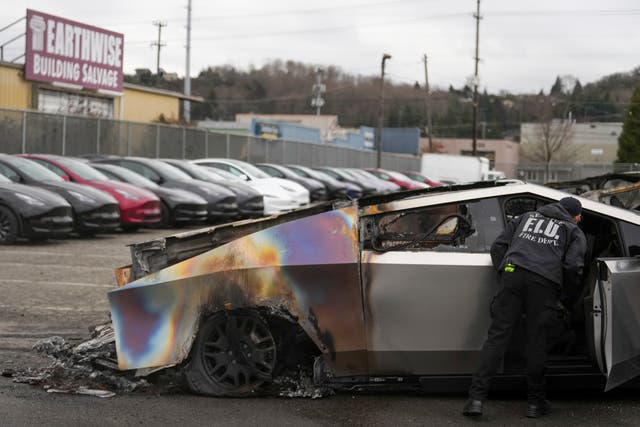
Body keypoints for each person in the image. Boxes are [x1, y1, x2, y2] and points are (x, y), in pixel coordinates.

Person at [462, 197, 587, 418]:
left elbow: (498, 246)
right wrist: (566, 298)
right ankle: (535, 404)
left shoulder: (525, 218)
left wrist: (505, 275)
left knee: (497, 338)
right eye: (579, 217)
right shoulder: (573, 231)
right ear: (575, 216)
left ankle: (476, 400)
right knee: (536, 341)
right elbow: (573, 268)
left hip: (513, 273)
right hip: (544, 284)